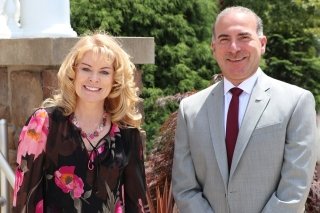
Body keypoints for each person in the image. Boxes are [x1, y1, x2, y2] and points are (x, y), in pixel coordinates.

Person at [172, 6, 317, 213]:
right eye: (224, 39)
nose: (233, 48)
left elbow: (294, 189)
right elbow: (184, 187)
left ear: (262, 43)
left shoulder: (296, 102)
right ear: (213, 47)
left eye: (243, 37)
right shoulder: (190, 110)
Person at [12, 33, 149, 212]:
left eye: (104, 71)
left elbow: (137, 205)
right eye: (86, 68)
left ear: (115, 80)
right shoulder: (43, 124)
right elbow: (24, 201)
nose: (94, 78)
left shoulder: (127, 134)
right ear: (73, 72)